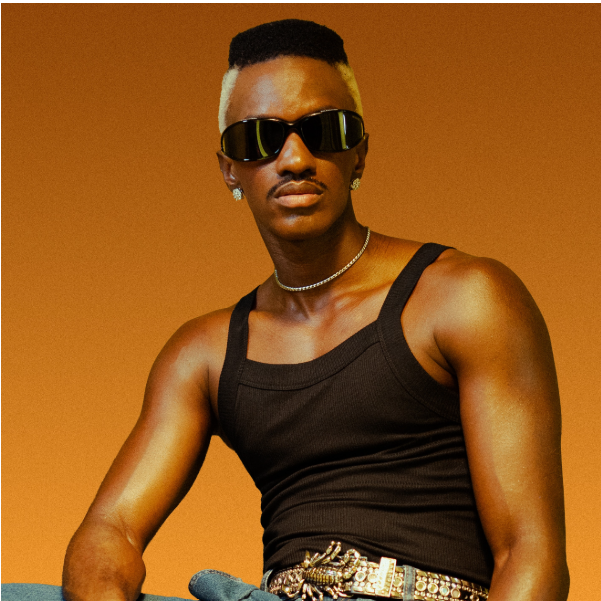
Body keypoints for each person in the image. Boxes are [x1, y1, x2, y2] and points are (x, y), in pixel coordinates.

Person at [2, 19, 569, 601]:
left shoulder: (464, 296)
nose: (295, 158)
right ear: (230, 168)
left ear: (359, 153)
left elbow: (530, 552)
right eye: (260, 139)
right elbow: (110, 532)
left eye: (323, 131)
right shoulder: (203, 355)